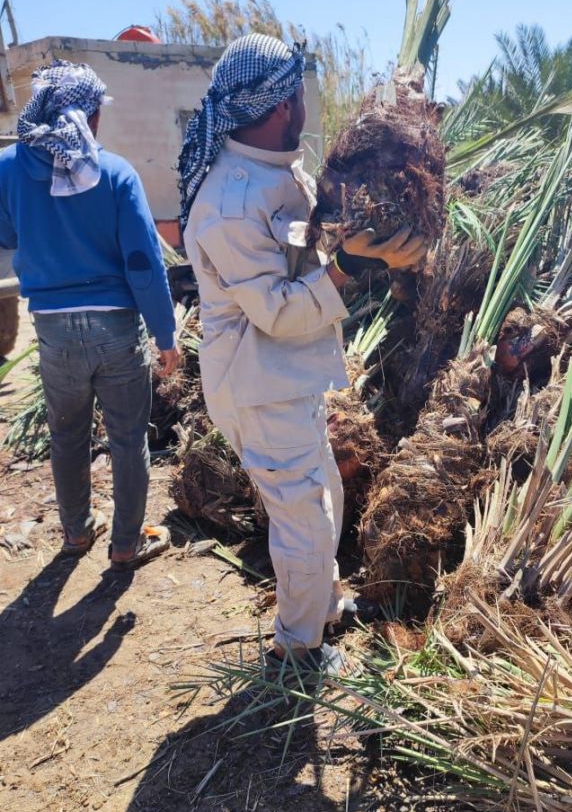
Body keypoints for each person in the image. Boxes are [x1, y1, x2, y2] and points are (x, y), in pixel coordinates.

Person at [180, 34, 425, 674]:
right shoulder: (232, 202)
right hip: (258, 383)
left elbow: (311, 249)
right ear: (282, 103)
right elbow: (279, 310)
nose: (304, 105)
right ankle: (296, 649)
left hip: (288, 376)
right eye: (298, 93)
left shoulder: (281, 173)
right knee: (303, 519)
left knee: (325, 500)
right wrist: (347, 265)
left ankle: (323, 604)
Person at [0, 60, 180, 569]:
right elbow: (144, 263)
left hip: (53, 331)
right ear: (90, 116)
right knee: (127, 439)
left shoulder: (9, 168)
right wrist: (166, 336)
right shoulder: (116, 172)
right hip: (115, 327)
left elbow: (7, 235)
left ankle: (76, 534)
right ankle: (125, 544)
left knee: (67, 435)